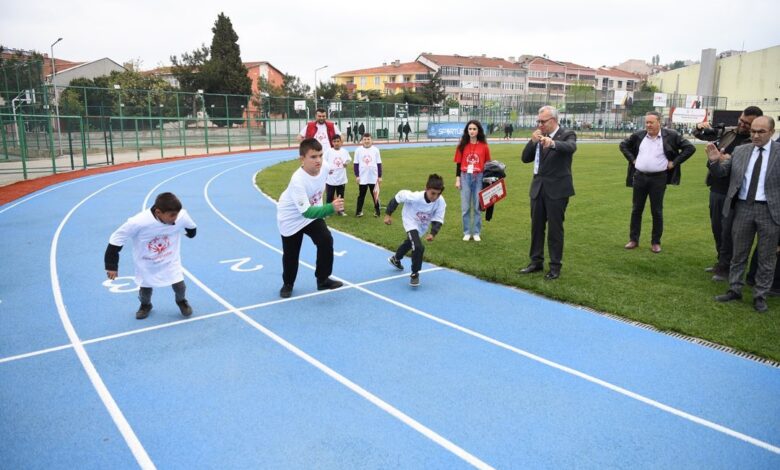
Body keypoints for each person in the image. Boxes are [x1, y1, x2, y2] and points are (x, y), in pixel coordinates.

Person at [709, 116, 779, 313]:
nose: (755, 135)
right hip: (743, 208)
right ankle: (735, 289)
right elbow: (723, 172)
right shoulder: (741, 151)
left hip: (770, 211)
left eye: (761, 132)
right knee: (738, 253)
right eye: (753, 131)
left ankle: (760, 296)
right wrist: (714, 162)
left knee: (766, 258)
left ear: (772, 132)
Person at [694, 106, 763, 280]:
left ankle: (728, 267)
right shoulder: (729, 132)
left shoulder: (756, 141)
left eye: (747, 123)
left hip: (736, 192)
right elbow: (699, 135)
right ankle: (722, 261)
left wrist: (729, 160)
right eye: (741, 120)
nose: (742, 125)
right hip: (717, 186)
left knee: (730, 232)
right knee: (717, 228)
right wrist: (699, 127)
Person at [104, 192, 197, 320]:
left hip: (170, 260)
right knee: (145, 290)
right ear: (158, 212)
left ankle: (181, 301)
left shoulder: (181, 215)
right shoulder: (138, 222)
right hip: (146, 263)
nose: (176, 218)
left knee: (180, 286)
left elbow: (191, 227)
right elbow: (117, 239)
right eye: (172, 215)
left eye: (177, 214)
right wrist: (111, 265)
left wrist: (191, 233)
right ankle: (145, 305)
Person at [277, 138, 345, 298]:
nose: (318, 160)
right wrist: (330, 207)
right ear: (302, 159)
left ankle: (322, 279)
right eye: (313, 157)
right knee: (291, 254)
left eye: (320, 155)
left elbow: (333, 175)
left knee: (326, 240)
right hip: (291, 218)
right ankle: (288, 283)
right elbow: (306, 212)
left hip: (312, 213)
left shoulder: (324, 167)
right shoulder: (297, 180)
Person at [620, 111, 696, 253]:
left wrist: (674, 163)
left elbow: (690, 148)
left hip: (658, 179)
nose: (648, 125)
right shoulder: (639, 135)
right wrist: (632, 159)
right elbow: (623, 145)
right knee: (636, 209)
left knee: (657, 211)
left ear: (659, 122)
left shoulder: (671, 135)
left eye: (651, 122)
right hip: (639, 177)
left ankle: (655, 242)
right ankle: (633, 240)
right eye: (646, 122)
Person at [518, 105, 576, 280]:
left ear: (553, 120)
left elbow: (570, 147)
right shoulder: (538, 135)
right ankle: (535, 262)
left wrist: (553, 143)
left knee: (555, 230)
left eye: (543, 121)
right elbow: (525, 158)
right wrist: (533, 141)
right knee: (536, 228)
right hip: (538, 188)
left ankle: (555, 266)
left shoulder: (567, 134)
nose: (540, 124)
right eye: (538, 121)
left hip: (557, 190)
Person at [384, 174, 446, 287]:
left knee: (410, 243)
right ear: (426, 189)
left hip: (422, 225)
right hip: (410, 220)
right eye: (433, 193)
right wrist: (388, 214)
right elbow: (399, 196)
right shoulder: (415, 197)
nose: (435, 197)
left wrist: (433, 233)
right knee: (418, 246)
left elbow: (438, 218)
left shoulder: (440, 201)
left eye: (438, 194)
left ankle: (396, 258)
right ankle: (415, 273)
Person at [454, 120, 491, 242]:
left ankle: (476, 232)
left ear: (478, 130)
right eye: (470, 129)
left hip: (479, 177)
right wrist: (458, 179)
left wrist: (487, 182)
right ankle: (466, 232)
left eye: (474, 129)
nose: (472, 131)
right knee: (465, 207)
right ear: (467, 131)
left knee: (477, 207)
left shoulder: (484, 146)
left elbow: (487, 164)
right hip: (465, 176)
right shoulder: (462, 145)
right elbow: (459, 164)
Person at [353, 132, 382, 217]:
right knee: (361, 195)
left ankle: (377, 211)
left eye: (368, 139)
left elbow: (379, 163)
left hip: (373, 177)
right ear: (362, 140)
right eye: (365, 139)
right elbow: (356, 164)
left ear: (371, 140)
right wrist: (357, 176)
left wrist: (379, 176)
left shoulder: (376, 150)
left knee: (375, 195)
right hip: (363, 177)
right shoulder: (358, 150)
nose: (366, 141)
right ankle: (359, 211)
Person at [323, 134, 351, 215]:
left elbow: (348, 159)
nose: (336, 143)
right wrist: (328, 169)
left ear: (341, 142)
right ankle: (327, 212)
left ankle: (340, 210)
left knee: (340, 195)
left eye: (338, 141)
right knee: (329, 195)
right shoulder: (328, 151)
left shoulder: (344, 151)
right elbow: (323, 161)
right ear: (332, 142)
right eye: (334, 141)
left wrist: (346, 163)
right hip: (331, 178)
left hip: (341, 178)